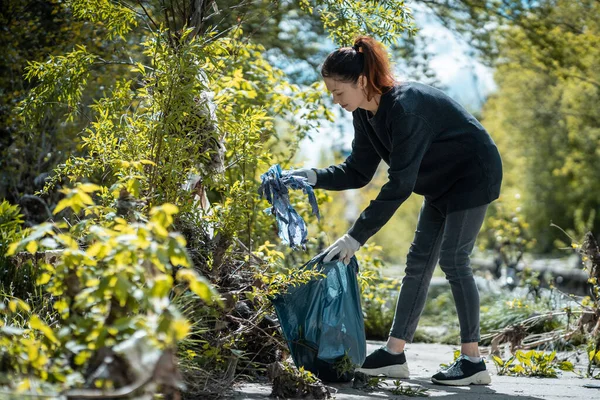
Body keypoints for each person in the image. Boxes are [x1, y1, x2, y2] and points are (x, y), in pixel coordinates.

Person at [290, 35, 502, 386]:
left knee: (453, 259)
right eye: (330, 92)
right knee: (418, 262)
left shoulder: (406, 108)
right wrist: (311, 177)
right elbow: (358, 171)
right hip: (438, 182)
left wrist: (355, 237)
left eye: (338, 91)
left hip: (473, 173)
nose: (335, 99)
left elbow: (399, 185)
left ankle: (473, 361)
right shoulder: (364, 113)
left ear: (360, 82)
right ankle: (393, 354)